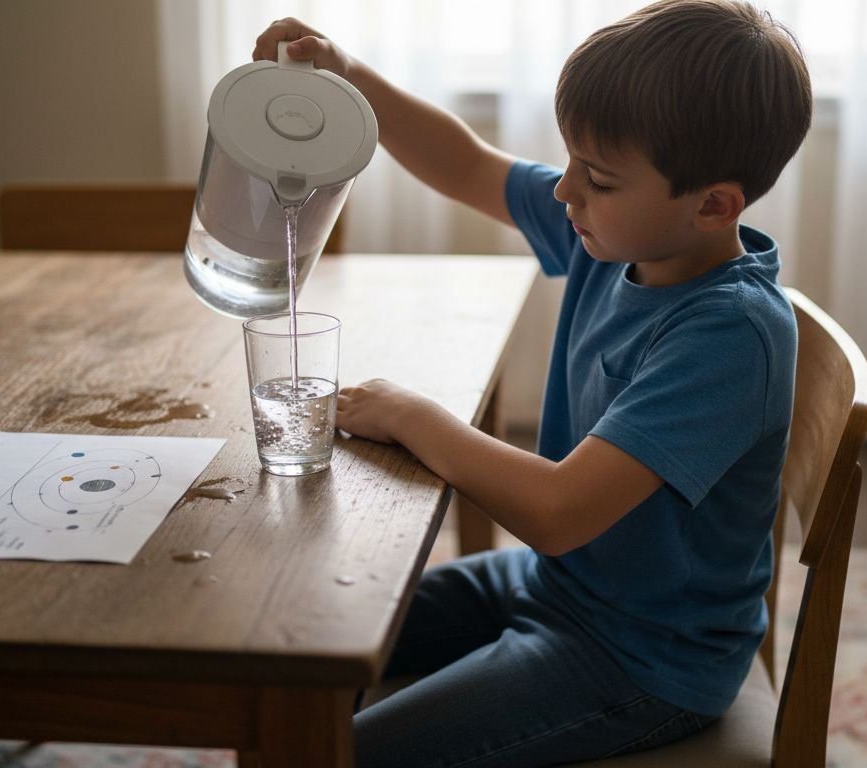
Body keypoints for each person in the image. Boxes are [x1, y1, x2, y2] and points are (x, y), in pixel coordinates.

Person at [255, 1, 811, 765]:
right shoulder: (620, 235)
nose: (564, 191)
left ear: (713, 205)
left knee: (341, 755)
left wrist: (413, 415)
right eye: (571, 161)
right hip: (560, 585)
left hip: (642, 657)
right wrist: (350, 76)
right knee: (300, 646)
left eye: (598, 178)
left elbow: (557, 512)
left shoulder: (730, 333)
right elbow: (467, 166)